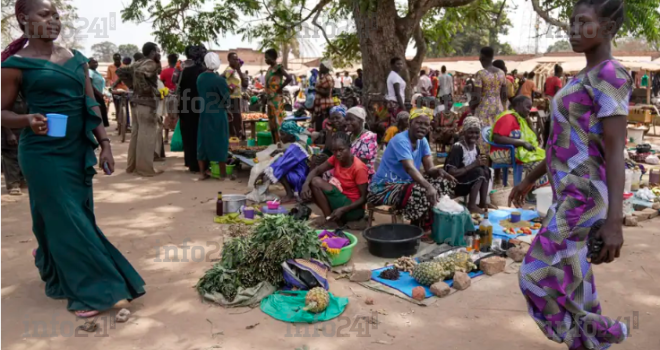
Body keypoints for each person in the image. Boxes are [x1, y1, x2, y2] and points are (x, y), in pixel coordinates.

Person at [1, 0, 145, 316]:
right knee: (68, 218)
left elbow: (89, 104)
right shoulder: (15, 64)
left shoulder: (74, 59)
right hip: (41, 155)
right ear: (25, 18)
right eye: (45, 14)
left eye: (56, 14)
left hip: (76, 152)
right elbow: (2, 111)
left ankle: (52, 261)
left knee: (73, 215)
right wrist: (26, 120)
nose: (54, 20)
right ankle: (94, 290)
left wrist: (105, 143)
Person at [512, 1, 630, 349]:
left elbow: (615, 150)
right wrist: (532, 177)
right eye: (571, 22)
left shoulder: (610, 74)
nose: (574, 29)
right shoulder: (583, 78)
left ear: (608, 29)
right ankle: (591, 344)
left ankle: (602, 331)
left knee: (534, 274)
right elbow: (563, 142)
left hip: (584, 198)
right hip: (569, 194)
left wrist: (615, 222)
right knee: (576, 282)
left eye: (584, 22)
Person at [368, 108, 456, 226]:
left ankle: (424, 223)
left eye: (426, 124)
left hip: (404, 184)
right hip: (382, 188)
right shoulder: (401, 140)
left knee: (443, 183)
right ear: (410, 124)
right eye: (418, 123)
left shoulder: (423, 141)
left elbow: (429, 168)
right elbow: (410, 168)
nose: (422, 127)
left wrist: (440, 172)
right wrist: (428, 186)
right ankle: (417, 226)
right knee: (422, 190)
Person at [302, 132, 368, 227]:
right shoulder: (336, 158)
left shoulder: (358, 168)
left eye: (341, 150)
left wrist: (343, 209)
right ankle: (331, 219)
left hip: (353, 209)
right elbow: (317, 170)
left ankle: (331, 221)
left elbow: (363, 198)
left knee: (316, 182)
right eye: (334, 150)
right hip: (341, 199)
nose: (337, 154)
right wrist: (305, 184)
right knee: (312, 185)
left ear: (349, 147)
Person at [490, 95, 547, 186]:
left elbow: (534, 137)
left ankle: (530, 189)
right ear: (518, 105)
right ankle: (529, 190)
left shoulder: (520, 119)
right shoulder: (508, 117)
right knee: (540, 165)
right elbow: (497, 138)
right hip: (502, 151)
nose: (529, 110)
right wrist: (522, 143)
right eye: (527, 107)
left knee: (546, 160)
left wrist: (529, 121)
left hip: (516, 151)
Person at [126, 42, 163, 177]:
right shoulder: (151, 63)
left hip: (135, 102)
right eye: (158, 51)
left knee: (136, 135)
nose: (159, 53)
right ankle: (145, 169)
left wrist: (132, 86)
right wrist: (148, 90)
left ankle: (132, 167)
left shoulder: (138, 62)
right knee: (146, 136)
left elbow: (122, 71)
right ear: (153, 52)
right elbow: (141, 73)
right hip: (146, 103)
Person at [444, 117, 490, 214]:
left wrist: (480, 163)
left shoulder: (475, 147)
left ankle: (482, 202)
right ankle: (472, 206)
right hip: (455, 185)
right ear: (464, 132)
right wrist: (475, 164)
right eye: (471, 132)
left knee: (485, 169)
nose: (474, 135)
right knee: (479, 171)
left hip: (466, 181)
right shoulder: (458, 148)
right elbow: (451, 173)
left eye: (476, 133)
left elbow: (478, 166)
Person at [196, 53, 230, 181]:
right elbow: (226, 100)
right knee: (220, 141)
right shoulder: (219, 80)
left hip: (204, 113)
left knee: (203, 141)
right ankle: (222, 174)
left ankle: (202, 173)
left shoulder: (200, 78)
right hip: (218, 114)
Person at [262, 121, 312, 202]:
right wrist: (283, 151)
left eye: (283, 134)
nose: (280, 137)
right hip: (305, 174)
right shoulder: (301, 143)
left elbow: (281, 165)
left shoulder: (294, 148)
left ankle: (290, 193)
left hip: (301, 178)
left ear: (291, 135)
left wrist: (263, 173)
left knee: (279, 168)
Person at [178, 45, 207, 173]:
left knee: (188, 135)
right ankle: (201, 163)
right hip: (200, 108)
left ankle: (190, 163)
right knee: (199, 135)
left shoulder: (185, 70)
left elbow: (178, 88)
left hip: (185, 107)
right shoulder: (204, 71)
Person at [472, 46, 507, 152]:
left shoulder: (480, 74)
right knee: (496, 137)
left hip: (483, 110)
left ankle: (483, 165)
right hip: (498, 110)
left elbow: (477, 98)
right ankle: (496, 165)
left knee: (483, 139)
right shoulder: (502, 73)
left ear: (482, 57)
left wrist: (471, 106)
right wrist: (503, 109)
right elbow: (504, 95)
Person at [264, 48, 292, 143]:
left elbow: (289, 78)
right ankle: (275, 143)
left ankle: (280, 143)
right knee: (271, 124)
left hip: (277, 100)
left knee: (277, 123)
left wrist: (280, 88)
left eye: (267, 58)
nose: (265, 60)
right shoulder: (269, 69)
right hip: (270, 100)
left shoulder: (278, 68)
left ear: (272, 58)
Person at [344, 106, 378, 177]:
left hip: (363, 175)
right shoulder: (349, 135)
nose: (347, 122)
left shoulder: (369, 137)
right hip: (348, 171)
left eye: (351, 120)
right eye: (346, 120)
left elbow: (362, 161)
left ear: (361, 120)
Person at [224, 52, 245, 139]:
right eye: (234, 59)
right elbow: (222, 79)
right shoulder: (229, 69)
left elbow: (241, 83)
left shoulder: (235, 70)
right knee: (235, 119)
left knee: (237, 119)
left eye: (237, 59)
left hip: (237, 97)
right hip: (232, 99)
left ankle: (237, 136)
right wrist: (231, 87)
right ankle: (234, 138)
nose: (236, 61)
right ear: (229, 60)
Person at [161, 53, 178, 143]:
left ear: (168, 61)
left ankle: (166, 138)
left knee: (167, 116)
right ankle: (176, 138)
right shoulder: (179, 71)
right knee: (176, 117)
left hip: (167, 95)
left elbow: (161, 84)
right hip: (177, 96)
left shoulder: (164, 71)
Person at [313, 61, 335, 132]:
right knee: (320, 121)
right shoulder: (324, 77)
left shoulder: (328, 78)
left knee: (323, 122)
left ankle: (323, 138)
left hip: (325, 104)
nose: (320, 68)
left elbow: (327, 93)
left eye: (321, 66)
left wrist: (316, 89)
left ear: (326, 67)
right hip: (322, 104)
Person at [88, 57, 109, 127]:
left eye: (96, 62)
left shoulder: (96, 72)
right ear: (89, 63)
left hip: (99, 95)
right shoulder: (90, 72)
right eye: (94, 62)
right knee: (99, 112)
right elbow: (89, 84)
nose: (96, 64)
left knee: (102, 112)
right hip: (94, 95)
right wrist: (98, 93)